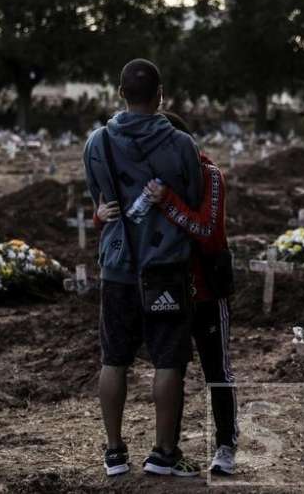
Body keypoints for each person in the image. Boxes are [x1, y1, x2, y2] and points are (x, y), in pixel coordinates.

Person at [96, 112, 239, 476]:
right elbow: (125, 215)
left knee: (216, 369)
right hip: (163, 287)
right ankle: (167, 449)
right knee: (170, 364)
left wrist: (170, 202)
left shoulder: (209, 175)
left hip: (203, 289)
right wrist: (99, 217)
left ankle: (225, 444)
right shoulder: (150, 174)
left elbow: (207, 231)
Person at [83, 59, 203, 478]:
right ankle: (163, 454)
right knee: (168, 361)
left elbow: (97, 200)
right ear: (160, 95)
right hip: (166, 267)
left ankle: (115, 453)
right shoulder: (182, 145)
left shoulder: (97, 142)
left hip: (117, 265)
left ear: (120, 94)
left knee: (113, 359)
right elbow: (193, 198)